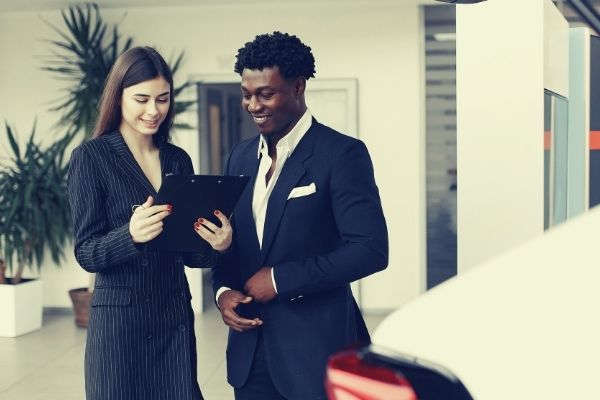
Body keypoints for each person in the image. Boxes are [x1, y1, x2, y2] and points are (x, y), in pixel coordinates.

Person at [213, 32, 389, 400]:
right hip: (249, 355)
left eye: (265, 94)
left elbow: (370, 249)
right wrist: (224, 291)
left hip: (314, 354)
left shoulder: (341, 154)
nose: (253, 105)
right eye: (247, 94)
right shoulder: (240, 157)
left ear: (297, 87)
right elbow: (234, 242)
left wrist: (280, 279)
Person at [67, 46, 231, 400]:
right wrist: (129, 235)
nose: (153, 110)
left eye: (162, 99)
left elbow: (191, 253)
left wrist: (216, 245)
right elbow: (86, 251)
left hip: (172, 316)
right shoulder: (91, 158)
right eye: (141, 99)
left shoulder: (177, 159)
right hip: (119, 327)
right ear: (119, 97)